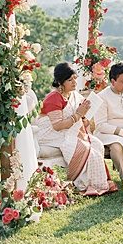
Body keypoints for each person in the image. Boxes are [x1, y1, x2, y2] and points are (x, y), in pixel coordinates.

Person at [33, 62, 117, 195]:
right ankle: (87, 184)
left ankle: (96, 182)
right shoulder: (53, 98)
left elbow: (79, 117)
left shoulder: (73, 95)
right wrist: (78, 114)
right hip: (51, 134)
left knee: (97, 144)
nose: (74, 82)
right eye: (70, 80)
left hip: (69, 130)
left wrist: (84, 116)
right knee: (87, 149)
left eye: (74, 79)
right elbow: (57, 126)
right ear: (60, 82)